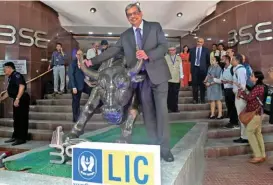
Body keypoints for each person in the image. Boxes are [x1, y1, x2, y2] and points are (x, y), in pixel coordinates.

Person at [84, 3, 174, 162]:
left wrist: (147, 54)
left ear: (141, 13)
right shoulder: (125, 35)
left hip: (159, 76)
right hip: (141, 79)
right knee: (148, 115)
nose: (132, 16)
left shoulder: (154, 27)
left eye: (134, 13)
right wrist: (91, 62)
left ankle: (165, 149)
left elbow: (163, 47)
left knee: (161, 112)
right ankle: (154, 147)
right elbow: (112, 51)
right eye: (129, 15)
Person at [238, 71, 266, 163]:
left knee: (249, 131)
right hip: (258, 113)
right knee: (258, 133)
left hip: (255, 113)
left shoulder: (258, 87)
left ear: (257, 78)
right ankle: (262, 154)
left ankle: (258, 155)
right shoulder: (261, 86)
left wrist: (242, 93)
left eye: (252, 76)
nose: (250, 77)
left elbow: (249, 98)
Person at [2, 62, 30, 146]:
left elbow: (22, 86)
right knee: (16, 118)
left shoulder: (16, 75)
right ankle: (16, 136)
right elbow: (9, 91)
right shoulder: (10, 77)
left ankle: (22, 138)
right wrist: (1, 99)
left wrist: (17, 99)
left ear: (10, 68)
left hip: (22, 98)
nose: (4, 70)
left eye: (5, 68)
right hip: (17, 98)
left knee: (22, 119)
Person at [68, 49, 91, 122]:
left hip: (82, 84)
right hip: (75, 86)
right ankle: (75, 118)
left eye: (81, 54)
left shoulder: (83, 63)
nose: (80, 56)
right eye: (78, 54)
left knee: (92, 91)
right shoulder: (72, 63)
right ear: (76, 55)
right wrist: (74, 87)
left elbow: (84, 74)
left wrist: (88, 83)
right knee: (76, 102)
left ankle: (93, 107)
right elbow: (71, 75)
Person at [232, 54, 248, 143]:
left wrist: (239, 93)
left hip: (240, 96)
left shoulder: (241, 70)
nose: (231, 61)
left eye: (233, 59)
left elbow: (242, 84)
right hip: (238, 94)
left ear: (237, 61)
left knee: (242, 116)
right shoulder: (237, 69)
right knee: (240, 116)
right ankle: (243, 135)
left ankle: (245, 136)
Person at [189, 38, 210, 104]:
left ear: (203, 43)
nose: (199, 43)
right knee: (194, 85)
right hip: (194, 69)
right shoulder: (192, 50)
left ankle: (202, 99)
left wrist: (205, 69)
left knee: (202, 85)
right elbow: (190, 59)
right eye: (198, 41)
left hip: (203, 70)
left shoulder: (206, 50)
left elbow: (208, 61)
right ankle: (195, 99)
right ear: (196, 41)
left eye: (201, 42)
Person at [165, 46, 183, 112]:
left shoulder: (179, 58)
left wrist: (181, 77)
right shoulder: (165, 58)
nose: (171, 51)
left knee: (175, 94)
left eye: (173, 50)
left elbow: (181, 68)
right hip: (168, 79)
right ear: (168, 51)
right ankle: (169, 108)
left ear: (175, 50)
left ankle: (175, 108)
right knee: (169, 94)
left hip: (176, 79)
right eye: (170, 50)